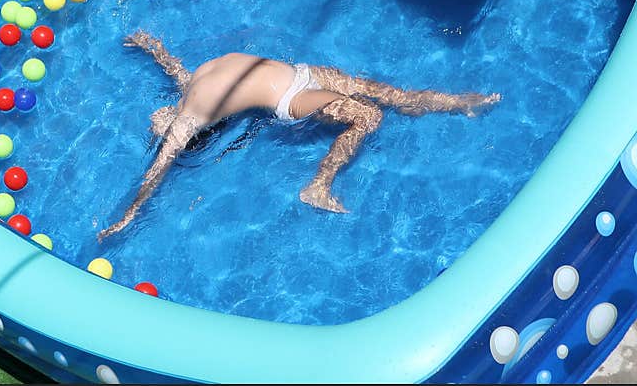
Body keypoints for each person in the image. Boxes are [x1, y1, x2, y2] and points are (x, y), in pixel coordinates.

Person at [98, 31, 501, 241]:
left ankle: (455, 103)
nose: (156, 121)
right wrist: (130, 214)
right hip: (290, 98)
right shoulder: (188, 120)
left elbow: (176, 69)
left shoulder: (189, 90)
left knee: (387, 94)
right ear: (184, 132)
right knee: (367, 116)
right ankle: (318, 185)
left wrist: (151, 46)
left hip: (302, 73)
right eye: (160, 128)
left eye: (158, 124)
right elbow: (159, 168)